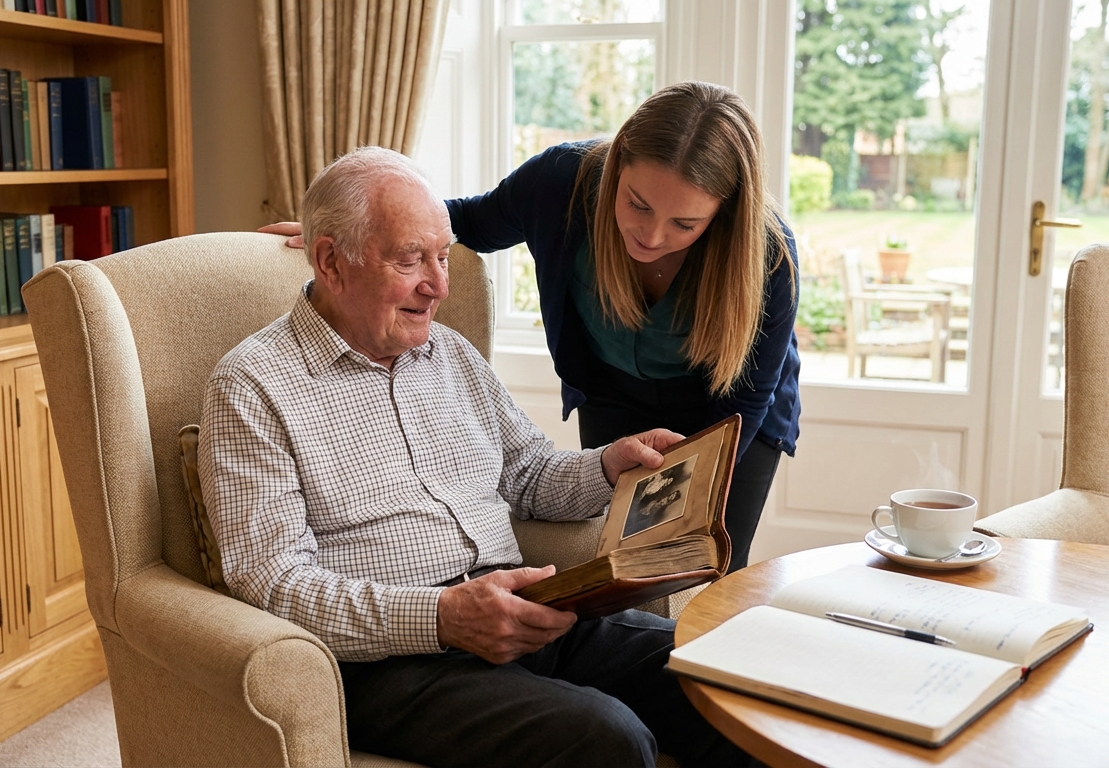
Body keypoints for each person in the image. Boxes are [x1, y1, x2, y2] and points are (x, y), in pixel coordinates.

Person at [203, 146, 757, 767]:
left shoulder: (451, 356)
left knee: (722, 670)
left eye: (442, 255)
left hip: (525, 615)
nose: (439, 285)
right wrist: (441, 616)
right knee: (606, 736)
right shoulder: (254, 385)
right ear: (332, 260)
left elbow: (531, 474)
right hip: (391, 661)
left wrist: (610, 465)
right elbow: (271, 582)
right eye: (411, 259)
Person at [262, 81, 800, 572]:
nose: (653, 236)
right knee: (626, 564)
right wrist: (342, 234)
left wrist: (693, 487)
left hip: (731, 411)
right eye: (636, 204)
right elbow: (468, 220)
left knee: (706, 569)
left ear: (723, 214)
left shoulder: (768, 254)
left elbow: (748, 398)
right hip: (615, 394)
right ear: (616, 166)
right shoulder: (561, 182)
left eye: (685, 223)